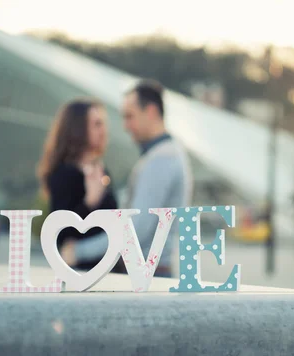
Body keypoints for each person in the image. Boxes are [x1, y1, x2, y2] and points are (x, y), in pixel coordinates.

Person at [63, 80, 193, 278]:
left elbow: (136, 229)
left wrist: (78, 251)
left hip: (150, 276)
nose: (125, 126)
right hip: (152, 273)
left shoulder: (162, 159)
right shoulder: (164, 154)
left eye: (130, 116)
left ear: (150, 112)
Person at [37, 98, 125, 273]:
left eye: (103, 124)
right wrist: (89, 202)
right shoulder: (63, 173)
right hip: (80, 274)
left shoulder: (101, 169)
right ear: (78, 128)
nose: (103, 130)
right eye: (96, 124)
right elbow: (60, 233)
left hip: (110, 270)